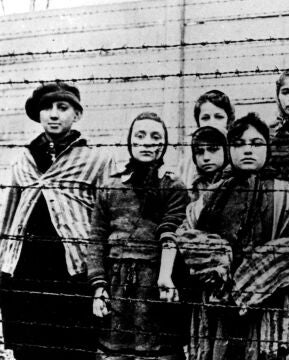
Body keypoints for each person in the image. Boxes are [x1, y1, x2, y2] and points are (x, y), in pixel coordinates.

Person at [164, 113, 289, 360]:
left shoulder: (284, 193)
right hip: (216, 305)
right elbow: (185, 234)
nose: (248, 150)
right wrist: (219, 257)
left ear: (268, 148)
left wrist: (252, 271)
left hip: (267, 304)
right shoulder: (211, 195)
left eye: (256, 143)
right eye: (238, 143)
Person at [0, 82, 115, 360]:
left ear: (76, 114)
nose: (54, 114)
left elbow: (108, 218)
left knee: (74, 350)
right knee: (30, 351)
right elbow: (8, 218)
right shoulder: (23, 160)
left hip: (72, 277)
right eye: (47, 108)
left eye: (62, 108)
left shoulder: (96, 159)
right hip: (25, 275)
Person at [87, 112, 190, 360]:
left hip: (155, 282)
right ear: (130, 141)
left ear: (164, 144)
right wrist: (99, 286)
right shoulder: (111, 186)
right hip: (116, 281)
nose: (146, 142)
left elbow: (173, 231)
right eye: (140, 135)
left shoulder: (172, 186)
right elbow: (96, 238)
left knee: (156, 352)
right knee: (114, 352)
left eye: (155, 137)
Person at [179, 90, 235, 191]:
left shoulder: (236, 156)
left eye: (219, 117)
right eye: (205, 118)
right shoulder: (188, 163)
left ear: (229, 121)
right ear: (198, 123)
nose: (212, 123)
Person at [190, 126, 229, 201]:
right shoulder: (194, 188)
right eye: (199, 152)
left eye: (213, 149)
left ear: (226, 151)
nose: (206, 158)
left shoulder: (236, 183)